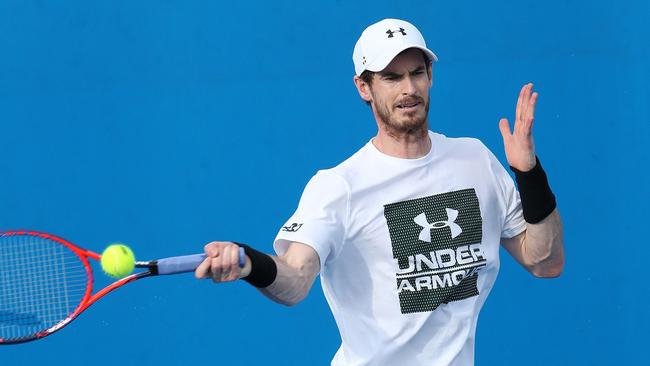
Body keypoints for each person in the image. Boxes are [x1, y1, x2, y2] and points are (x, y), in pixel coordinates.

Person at [195, 18, 564, 366]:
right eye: (391, 77)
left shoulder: (476, 161)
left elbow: (545, 261)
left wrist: (528, 173)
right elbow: (294, 281)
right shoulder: (339, 186)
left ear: (430, 76)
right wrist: (248, 263)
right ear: (364, 88)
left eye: (417, 73)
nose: (409, 89)